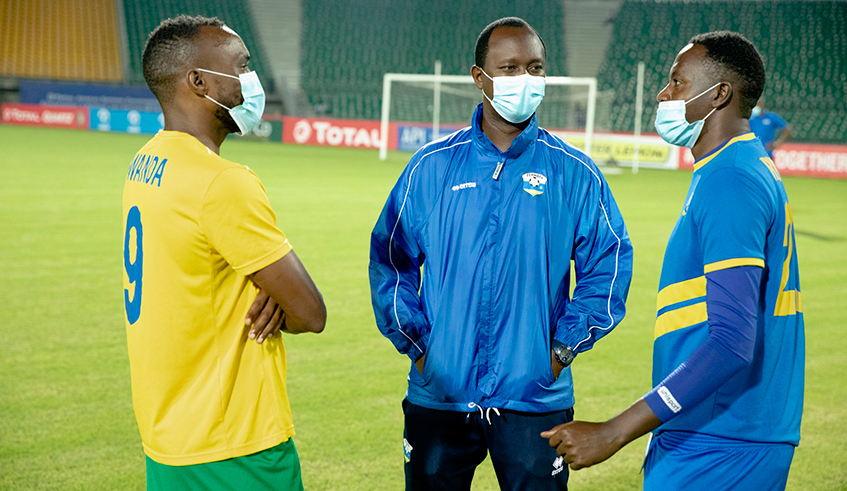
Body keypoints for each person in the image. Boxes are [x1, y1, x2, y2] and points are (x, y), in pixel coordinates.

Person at [369, 17, 632, 491]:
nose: (524, 80)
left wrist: (560, 349)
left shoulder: (575, 173)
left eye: (535, 68)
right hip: (441, 396)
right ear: (479, 77)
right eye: (509, 68)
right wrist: (420, 346)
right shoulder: (430, 167)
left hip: (534, 398)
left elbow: (608, 267)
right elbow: (391, 258)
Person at [542, 31, 804, 491]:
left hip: (721, 441)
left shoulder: (730, 181)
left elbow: (730, 343)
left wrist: (614, 431)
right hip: (722, 433)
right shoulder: (736, 168)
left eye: (677, 82)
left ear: (719, 93)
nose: (663, 94)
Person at [122, 15, 326, 490]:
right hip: (235, 442)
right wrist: (280, 298)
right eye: (241, 66)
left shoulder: (144, 163)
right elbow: (310, 312)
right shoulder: (222, 181)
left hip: (168, 438)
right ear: (198, 81)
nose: (250, 81)